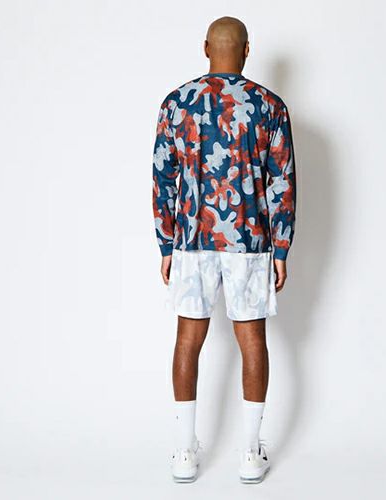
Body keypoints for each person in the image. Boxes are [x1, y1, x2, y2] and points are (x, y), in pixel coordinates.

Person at [152, 15, 296, 484]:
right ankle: (251, 453)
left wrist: (166, 242)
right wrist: (281, 248)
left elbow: (163, 178)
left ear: (205, 47)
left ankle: (184, 452)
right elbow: (282, 182)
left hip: (193, 239)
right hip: (249, 242)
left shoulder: (176, 103)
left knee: (187, 340)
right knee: (252, 340)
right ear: (247, 50)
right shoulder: (269, 106)